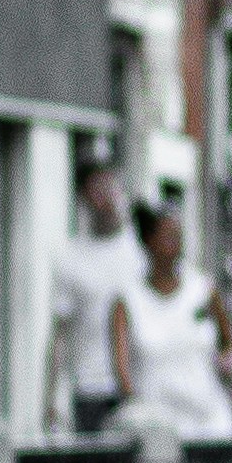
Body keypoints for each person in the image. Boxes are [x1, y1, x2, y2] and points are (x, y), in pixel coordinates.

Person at [108, 200, 232, 442]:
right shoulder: (128, 302)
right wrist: (138, 415)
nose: (176, 245)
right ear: (149, 242)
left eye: (179, 236)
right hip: (159, 433)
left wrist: (227, 365)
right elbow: (123, 375)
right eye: (168, 237)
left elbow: (229, 345)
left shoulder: (202, 289)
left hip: (211, 424)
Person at [51, 151, 144, 438]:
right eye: (97, 190)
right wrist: (51, 398)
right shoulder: (70, 257)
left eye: (111, 187)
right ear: (83, 198)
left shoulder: (140, 251)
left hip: (139, 384)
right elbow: (60, 333)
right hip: (90, 387)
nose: (106, 199)